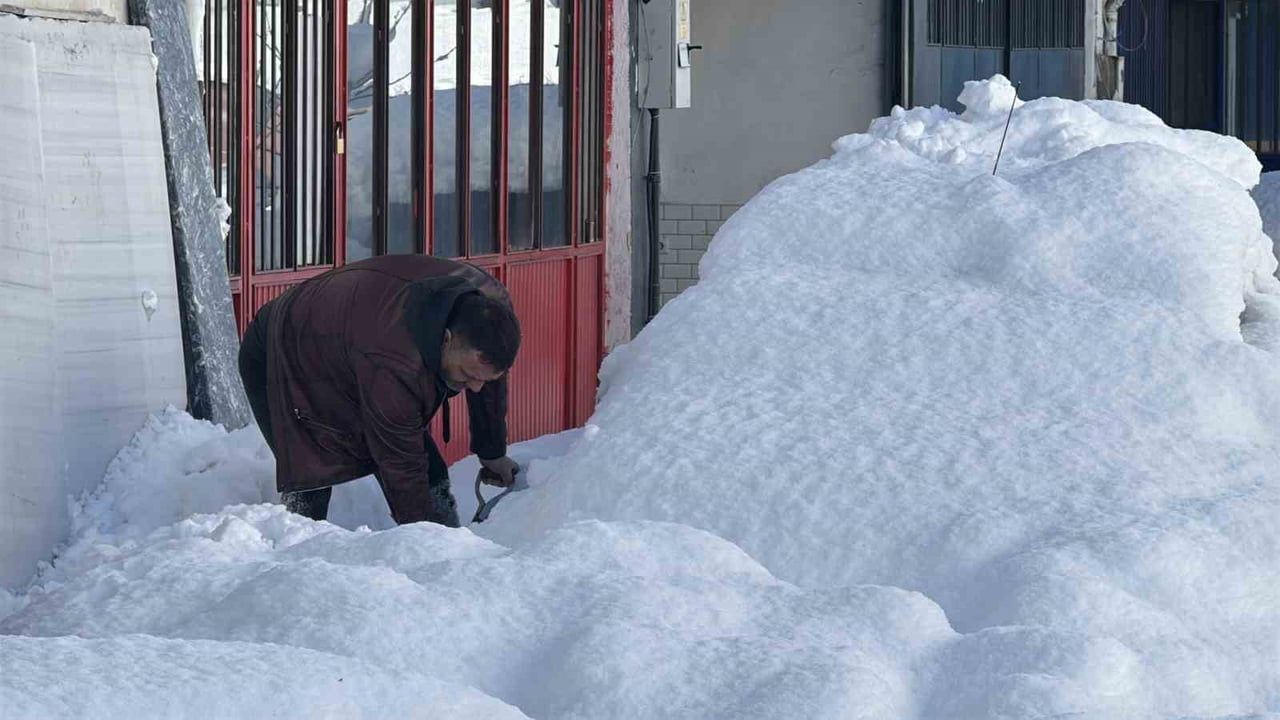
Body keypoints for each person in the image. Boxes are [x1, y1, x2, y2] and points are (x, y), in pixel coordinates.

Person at [237, 255, 522, 527]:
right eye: (467, 376)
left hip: (349, 340)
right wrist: (424, 537)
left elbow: (487, 374)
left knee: (430, 472)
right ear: (445, 340)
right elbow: (402, 465)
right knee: (311, 475)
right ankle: (295, 559)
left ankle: (444, 547)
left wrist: (492, 450)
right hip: (281, 349)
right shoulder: (393, 360)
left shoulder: (490, 311)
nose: (474, 387)